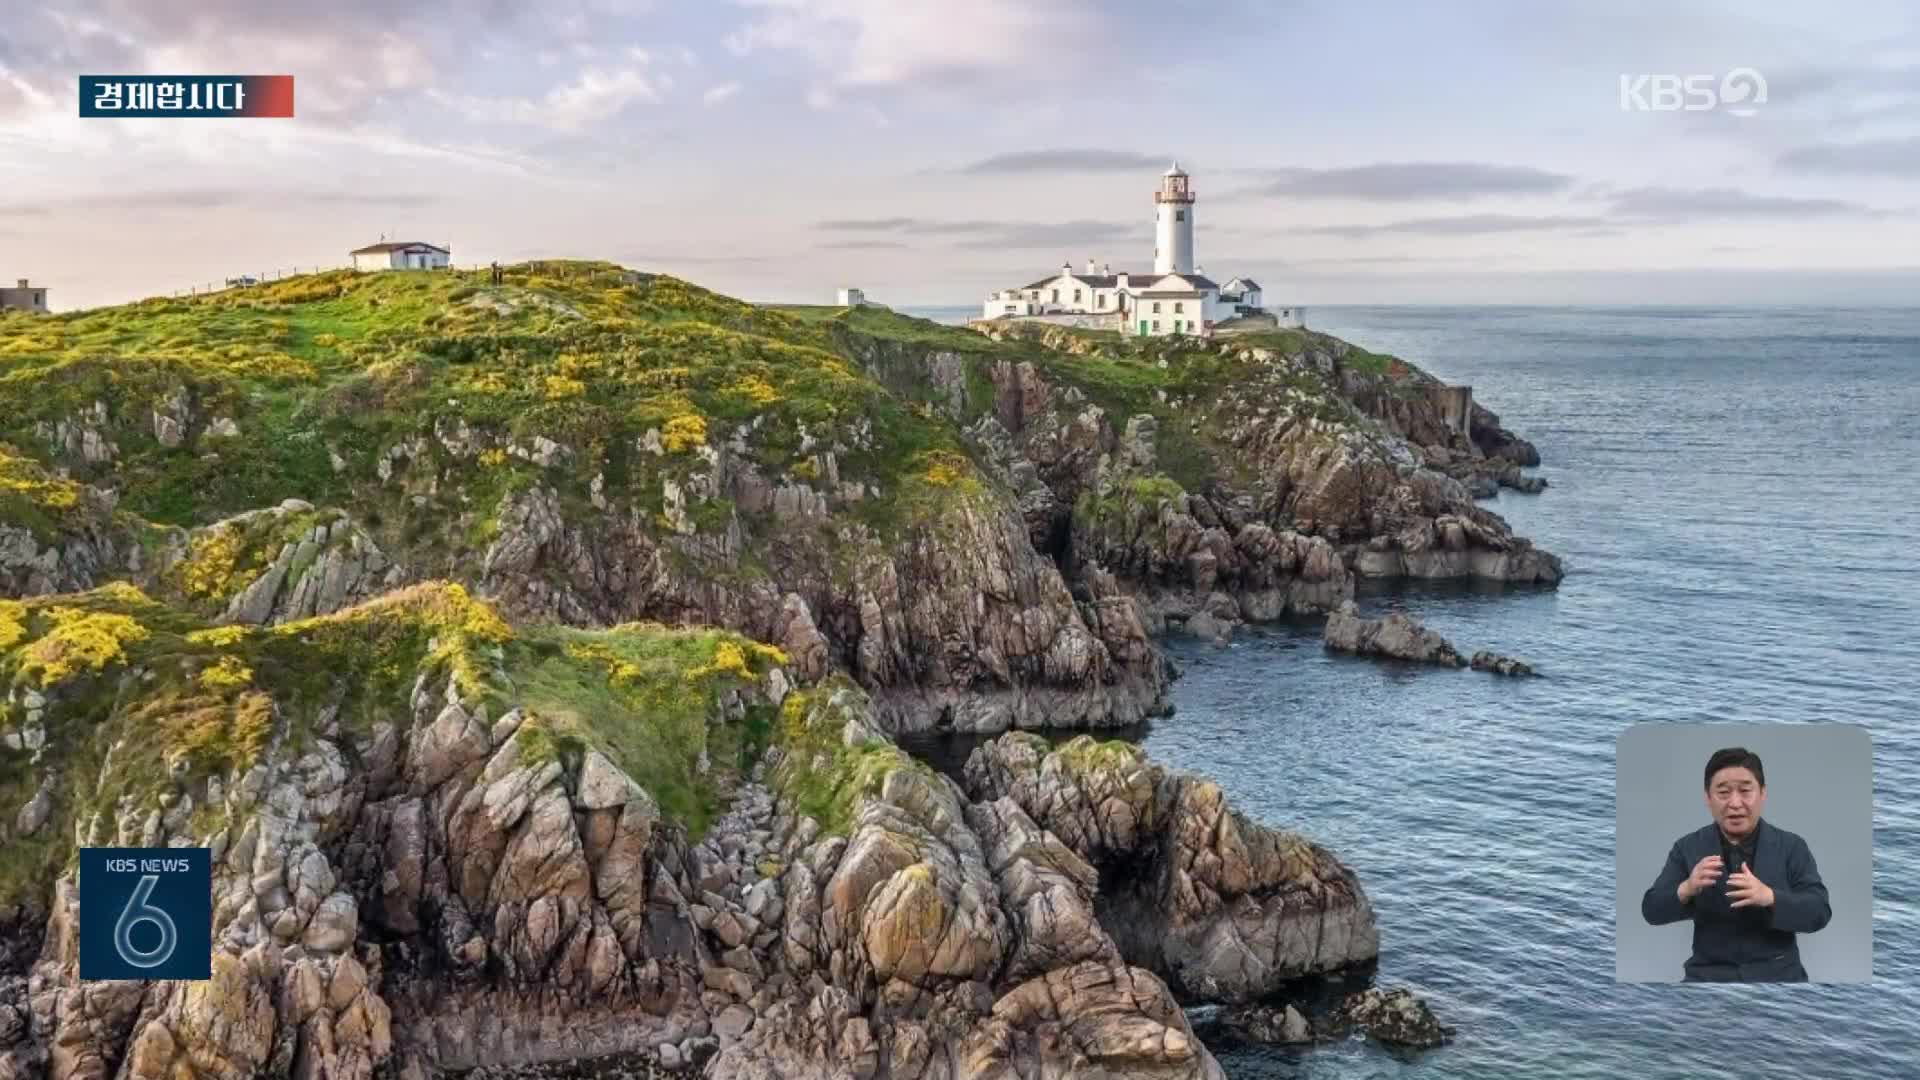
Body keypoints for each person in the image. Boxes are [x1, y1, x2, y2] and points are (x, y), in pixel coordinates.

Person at [1640, 746, 1831, 981]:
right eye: (1723, 792)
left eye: (1745, 791)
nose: (1735, 803)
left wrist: (1770, 897)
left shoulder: (1792, 846)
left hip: (1779, 977)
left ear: (1763, 793)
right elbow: (1651, 909)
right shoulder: (1687, 848)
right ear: (1707, 798)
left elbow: (1819, 911)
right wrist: (1687, 888)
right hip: (1707, 978)